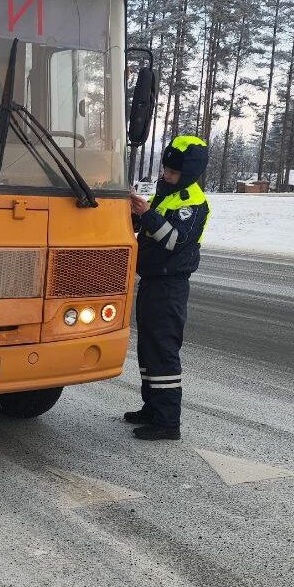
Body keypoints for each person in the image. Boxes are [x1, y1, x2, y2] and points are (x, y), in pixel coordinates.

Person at [127, 135, 210, 441]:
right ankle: (151, 408)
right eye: (165, 169)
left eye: (172, 172)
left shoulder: (193, 202)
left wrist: (147, 213)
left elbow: (173, 240)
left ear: (188, 173)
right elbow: (147, 228)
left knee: (163, 350)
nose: (166, 175)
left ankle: (167, 421)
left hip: (170, 285)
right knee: (148, 349)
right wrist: (137, 212)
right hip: (152, 281)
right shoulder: (168, 192)